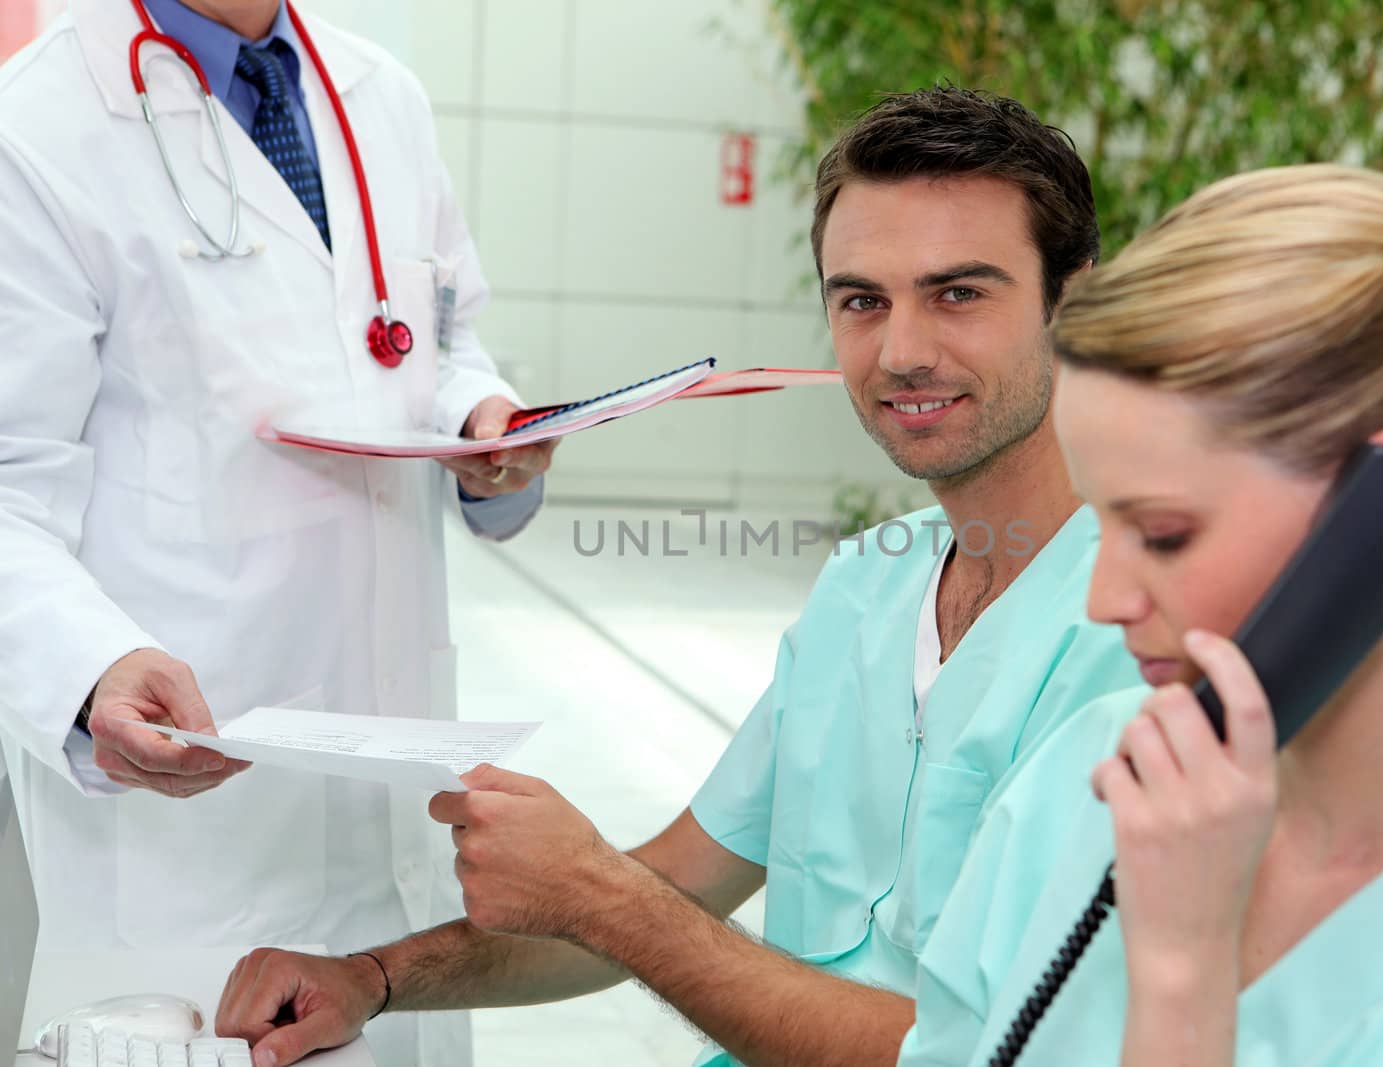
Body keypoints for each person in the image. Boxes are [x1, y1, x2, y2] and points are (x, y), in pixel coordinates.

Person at [212, 87, 1140, 1067]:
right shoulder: (870, 587)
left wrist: (603, 897)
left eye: (958, 292)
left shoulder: (1139, 638)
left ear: (1069, 304)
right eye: (861, 299)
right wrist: (371, 976)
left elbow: (990, 1047)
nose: (901, 351)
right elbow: (676, 877)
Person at [896, 129, 1383, 1066]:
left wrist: (1183, 976)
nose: (1103, 600)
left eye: (1165, 533)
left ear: (1381, 508)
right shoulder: (1093, 771)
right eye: (1099, 524)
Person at [0, 1, 554, 1063]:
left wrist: (483, 423)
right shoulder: (37, 127)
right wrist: (87, 671)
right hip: (189, 836)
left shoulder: (378, 94)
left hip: (396, 808)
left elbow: (436, 340)